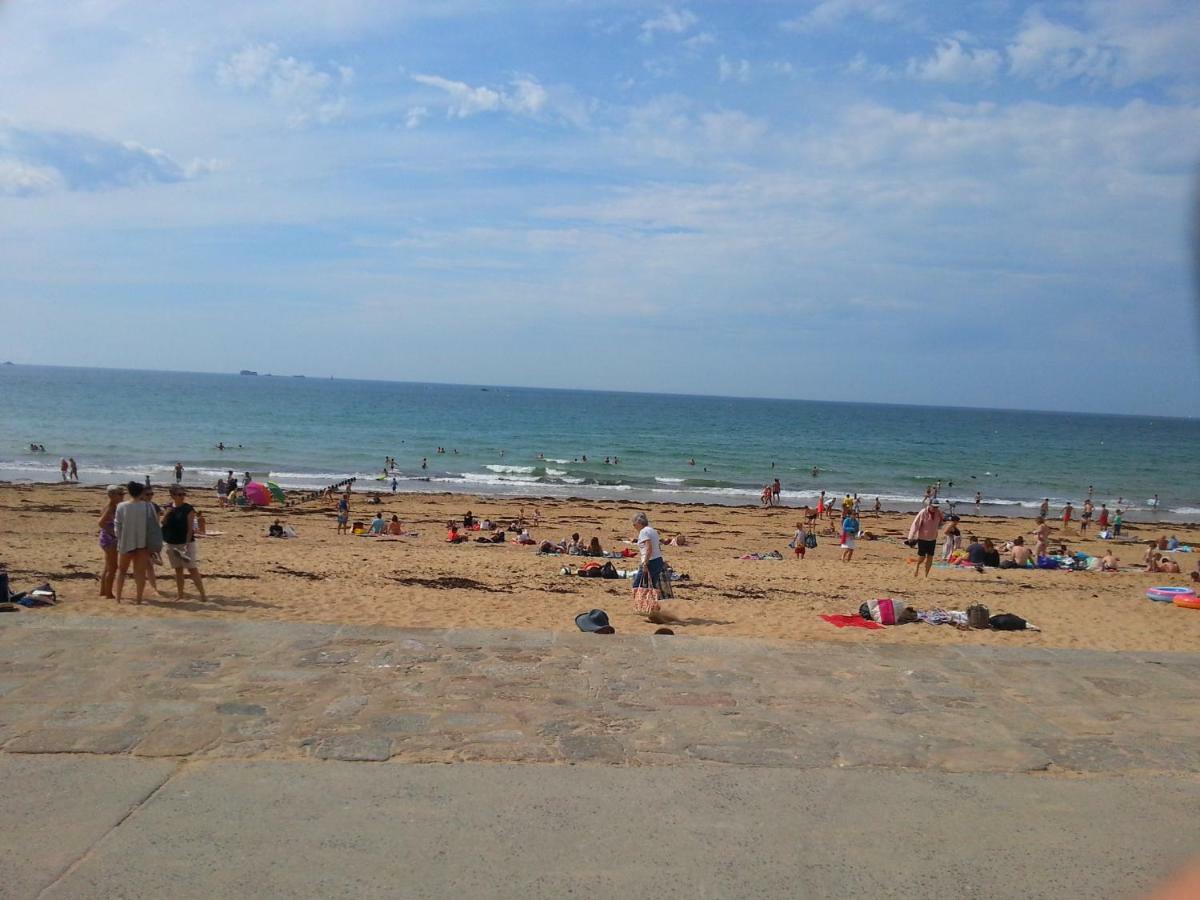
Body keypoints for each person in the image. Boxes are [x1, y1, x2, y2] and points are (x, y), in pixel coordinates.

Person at [113, 480, 163, 604]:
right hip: (143, 544)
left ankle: (118, 598)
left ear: (129, 492)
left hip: (126, 542)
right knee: (140, 573)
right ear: (141, 492)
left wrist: (120, 539)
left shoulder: (121, 506)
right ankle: (139, 599)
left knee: (122, 571)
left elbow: (117, 526)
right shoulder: (148, 506)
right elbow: (154, 525)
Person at [161, 486, 207, 601]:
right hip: (172, 542)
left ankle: (202, 595)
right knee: (178, 569)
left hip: (186, 543)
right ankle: (180, 594)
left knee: (192, 568)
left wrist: (186, 544)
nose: (182, 497)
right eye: (179, 494)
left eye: (183, 494)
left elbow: (190, 528)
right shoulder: (168, 507)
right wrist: (167, 513)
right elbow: (163, 522)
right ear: (172, 495)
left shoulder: (188, 509)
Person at [98, 484, 125, 599]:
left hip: (107, 539)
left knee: (108, 566)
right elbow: (101, 523)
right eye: (120, 494)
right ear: (112, 495)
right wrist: (115, 534)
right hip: (109, 540)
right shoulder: (111, 507)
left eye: (123, 494)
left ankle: (103, 591)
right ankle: (108, 593)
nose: (122, 496)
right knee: (113, 567)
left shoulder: (113, 506)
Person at [631, 511, 668, 593]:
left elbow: (649, 548)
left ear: (639, 522)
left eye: (634, 524)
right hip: (658, 560)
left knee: (637, 586)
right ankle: (650, 603)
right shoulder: (652, 530)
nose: (633, 526)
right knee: (650, 586)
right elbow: (657, 546)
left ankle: (641, 604)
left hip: (650, 562)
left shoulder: (643, 532)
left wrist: (645, 563)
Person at [907, 501, 944, 577]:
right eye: (934, 506)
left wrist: (939, 526)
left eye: (937, 507)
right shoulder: (923, 512)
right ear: (929, 505)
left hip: (933, 538)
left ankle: (926, 575)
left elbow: (942, 522)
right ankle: (917, 566)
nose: (935, 508)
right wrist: (911, 537)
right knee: (922, 557)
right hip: (922, 538)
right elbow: (915, 524)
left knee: (930, 557)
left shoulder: (939, 513)